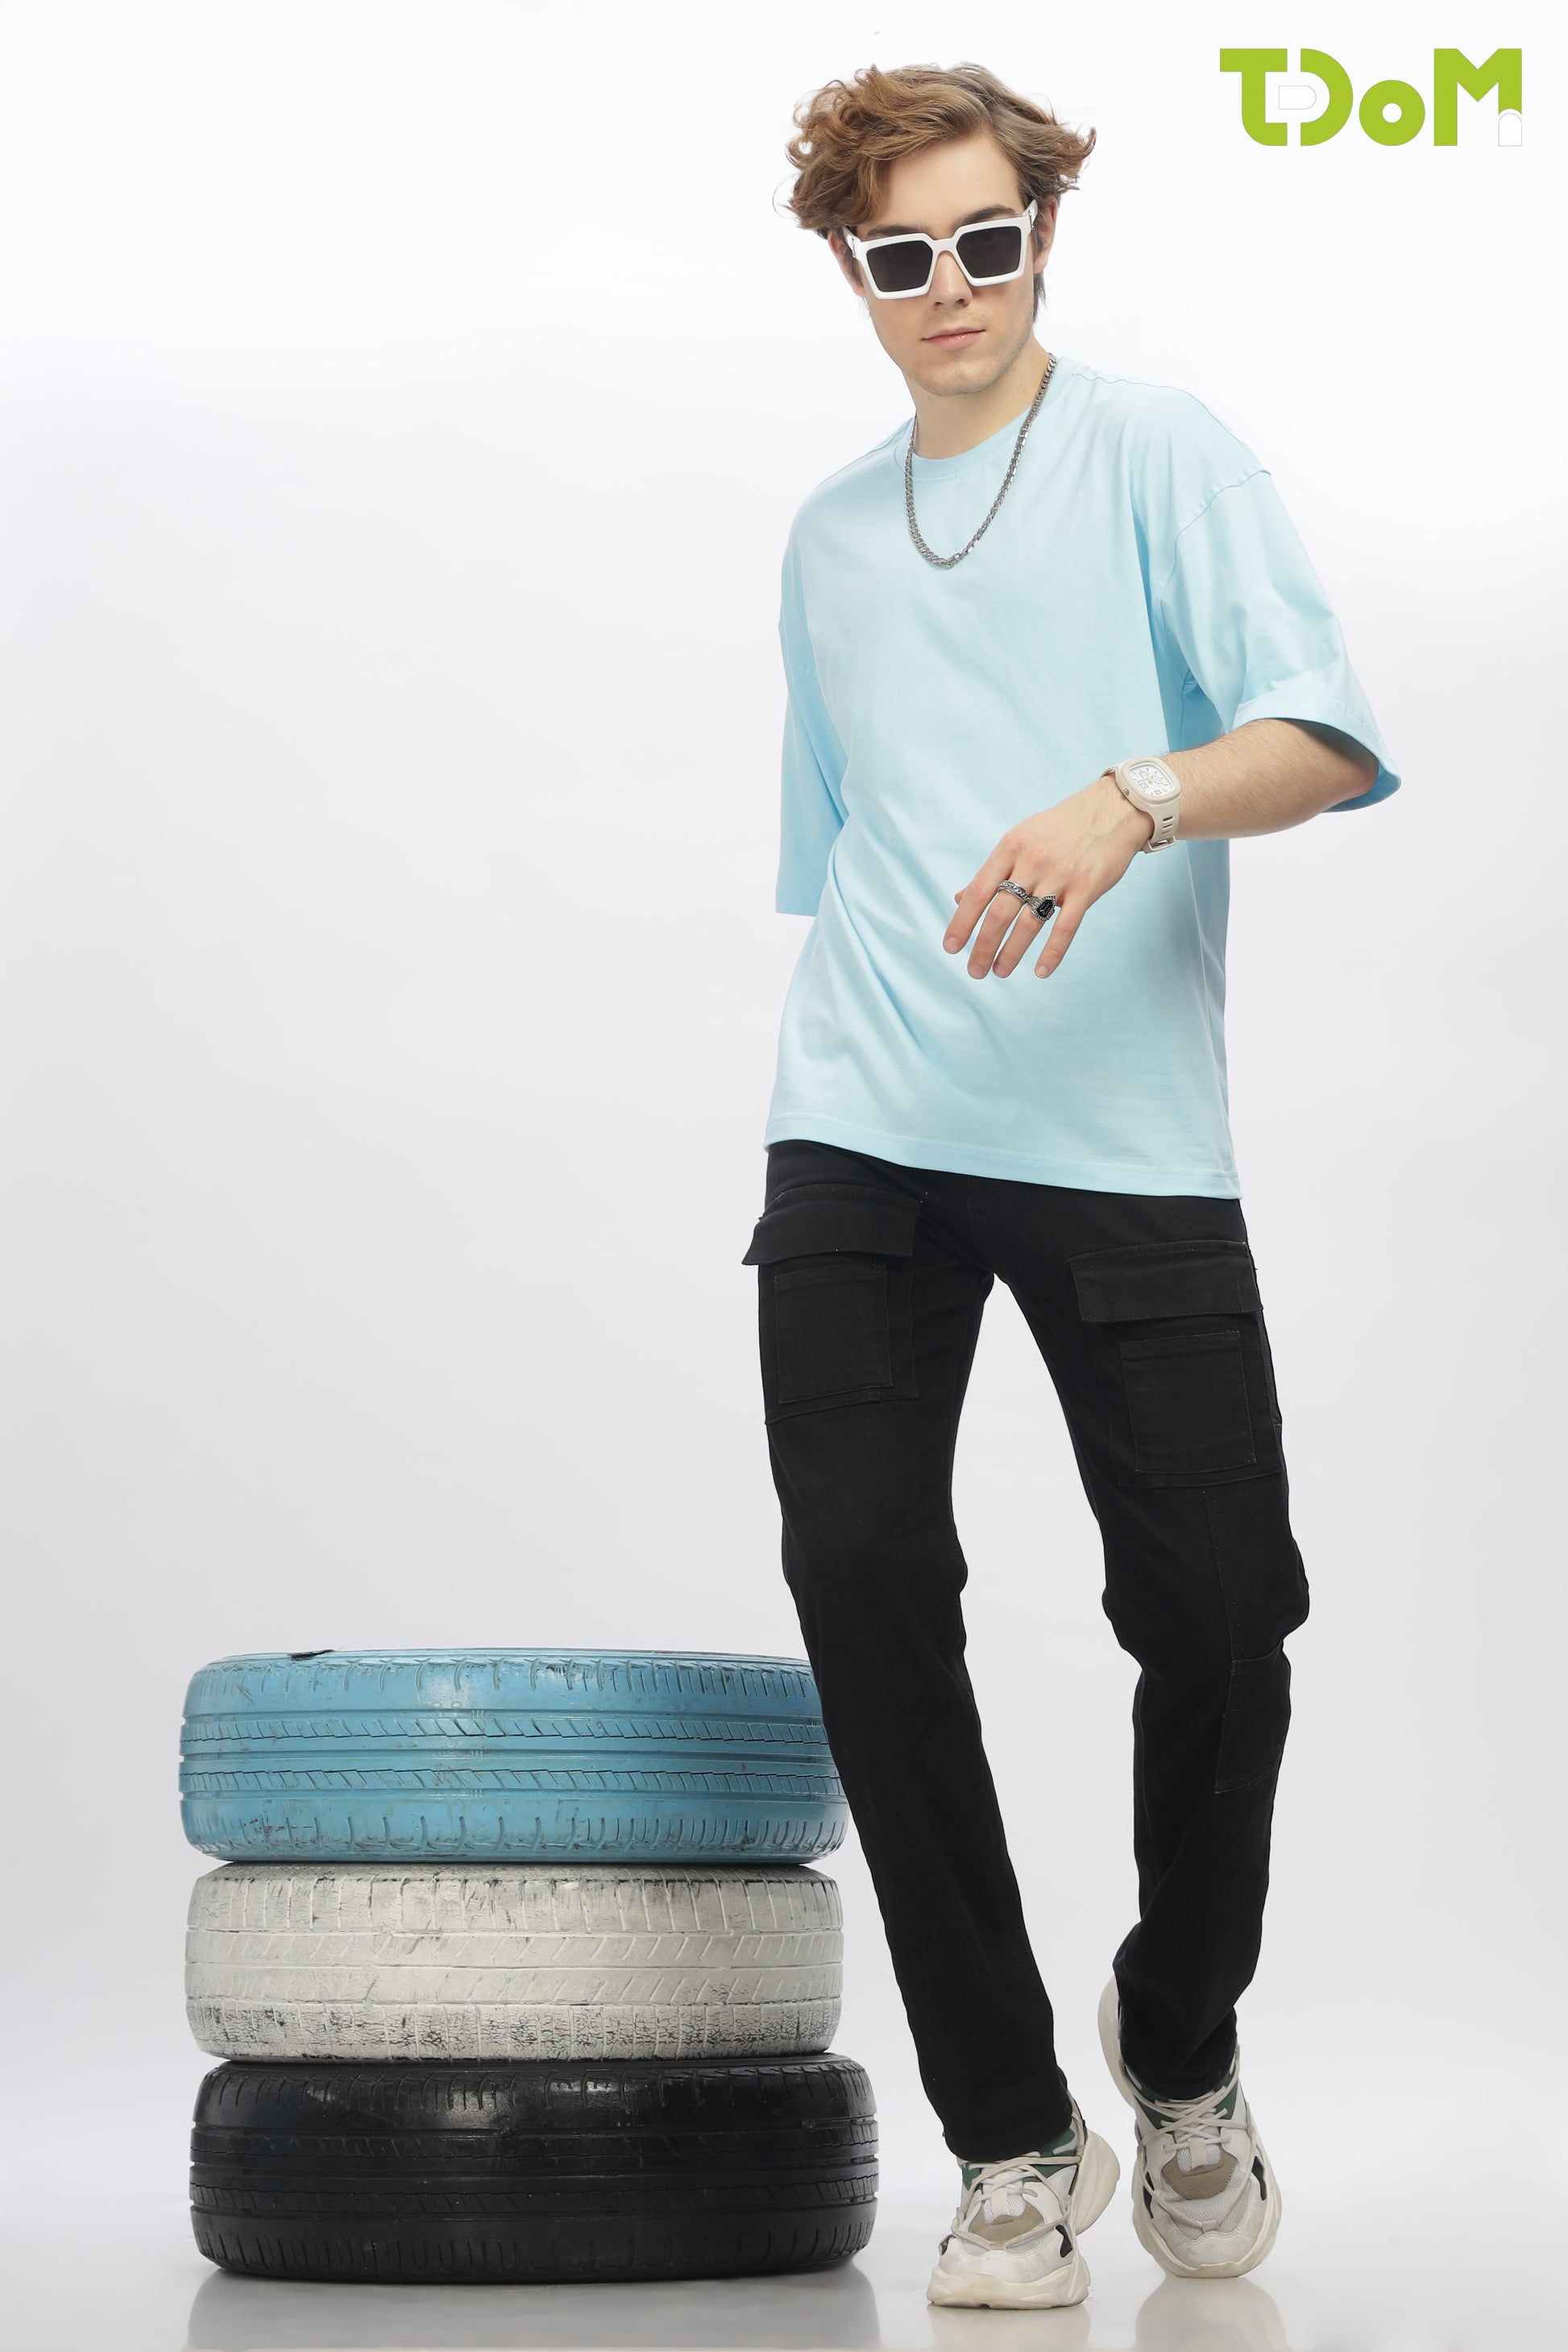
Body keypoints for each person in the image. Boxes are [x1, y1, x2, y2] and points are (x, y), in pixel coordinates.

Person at [743, 62, 1397, 2313]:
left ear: (1042, 234)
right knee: (859, 1574)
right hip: (859, 1122)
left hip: (1121, 1145)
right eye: (899, 255)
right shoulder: (828, 539)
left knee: (1221, 1613)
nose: (948, 287)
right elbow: (849, 851)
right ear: (850, 272)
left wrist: (1130, 798)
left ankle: (1181, 2053)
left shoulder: (1159, 453)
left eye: (984, 239)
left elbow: (1321, 736)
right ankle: (1009, 2137)